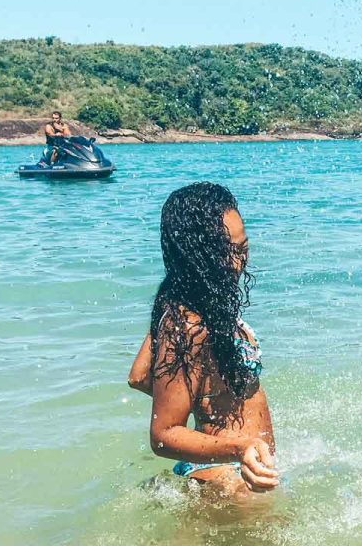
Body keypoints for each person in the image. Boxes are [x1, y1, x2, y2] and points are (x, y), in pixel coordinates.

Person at [128, 182, 280, 495]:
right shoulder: (186, 326)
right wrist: (236, 447)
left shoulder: (188, 300)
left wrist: (203, 394)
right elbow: (163, 433)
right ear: (197, 257)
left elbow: (140, 376)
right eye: (228, 253)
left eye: (244, 248)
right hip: (227, 478)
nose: (239, 263)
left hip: (238, 471)